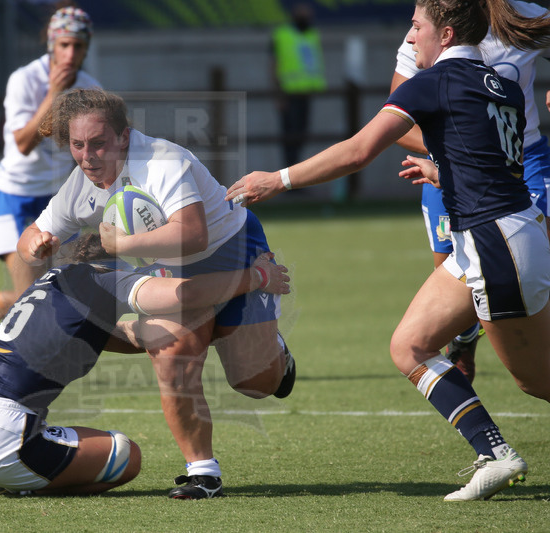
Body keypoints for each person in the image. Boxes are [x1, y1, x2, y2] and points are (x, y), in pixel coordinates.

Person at [226, 0, 550, 501]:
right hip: (495, 236)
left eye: (416, 26)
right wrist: (443, 171)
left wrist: (279, 178)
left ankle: (498, 452)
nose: (410, 35)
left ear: (444, 34)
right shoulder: (502, 87)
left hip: (494, 244)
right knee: (409, 346)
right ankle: (495, 453)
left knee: (536, 382)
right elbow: (497, 169)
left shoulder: (433, 83)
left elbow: (358, 151)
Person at [0, 233, 290, 495]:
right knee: (127, 457)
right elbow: (179, 296)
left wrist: (191, 335)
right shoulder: (100, 279)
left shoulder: (52, 287)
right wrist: (255, 278)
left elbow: (131, 336)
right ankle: (6, 480)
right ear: (109, 263)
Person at [17, 88, 296, 499]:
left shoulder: (163, 160)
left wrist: (118, 246)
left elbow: (194, 234)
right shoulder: (82, 184)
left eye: (98, 143)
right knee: (171, 351)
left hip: (233, 251)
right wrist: (35, 244)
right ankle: (203, 472)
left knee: (255, 381)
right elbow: (32, 235)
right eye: (78, 145)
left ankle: (271, 349)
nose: (88, 156)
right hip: (169, 266)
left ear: (124, 137)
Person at [389, 0, 550, 383]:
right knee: (451, 273)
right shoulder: (427, 33)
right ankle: (464, 338)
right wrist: (455, 154)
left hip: (524, 161)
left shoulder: (523, 14)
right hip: (451, 169)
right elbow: (395, 117)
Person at [0, 5, 101, 360]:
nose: (70, 54)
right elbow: (23, 143)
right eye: (64, 45)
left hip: (57, 201)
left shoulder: (91, 89)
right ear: (51, 45)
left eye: (78, 46)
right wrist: (53, 95)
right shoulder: (25, 80)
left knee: (57, 292)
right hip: (14, 196)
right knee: (27, 296)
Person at [271, 2, 326, 167]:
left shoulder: (312, 34)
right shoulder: (282, 35)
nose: (306, 13)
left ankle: (295, 176)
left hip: (306, 93)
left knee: (302, 136)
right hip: (289, 94)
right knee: (291, 137)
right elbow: (273, 65)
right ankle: (289, 177)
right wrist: (278, 94)